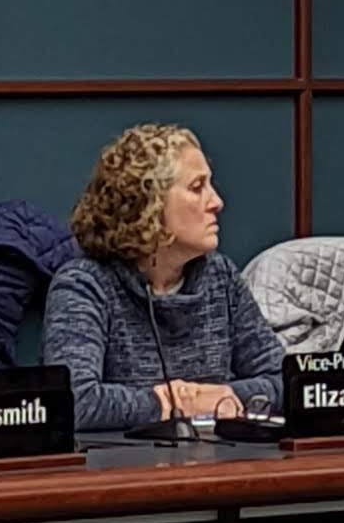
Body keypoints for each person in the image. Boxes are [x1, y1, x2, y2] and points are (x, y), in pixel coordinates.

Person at [41, 124, 284, 434]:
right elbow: (74, 401)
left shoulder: (220, 276)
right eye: (197, 187)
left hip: (223, 458)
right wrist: (171, 403)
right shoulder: (84, 285)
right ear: (148, 206)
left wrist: (226, 396)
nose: (217, 202)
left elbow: (287, 381)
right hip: (120, 462)